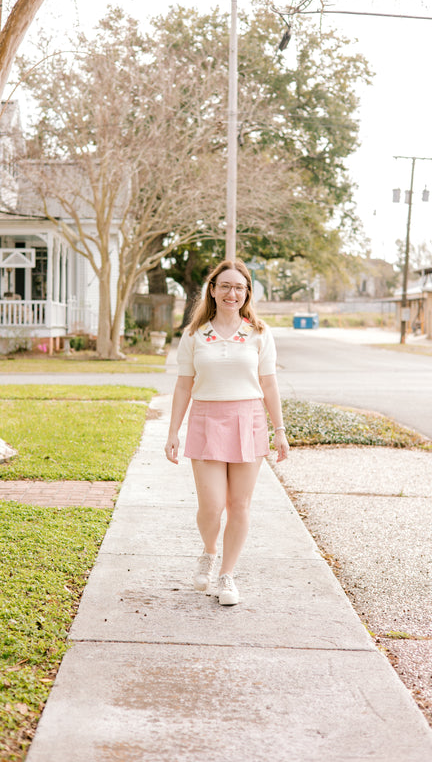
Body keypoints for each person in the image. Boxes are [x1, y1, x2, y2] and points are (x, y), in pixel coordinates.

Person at [164, 259, 289, 606]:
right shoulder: (193, 335)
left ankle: (226, 576)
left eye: (239, 287)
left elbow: (269, 383)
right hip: (206, 419)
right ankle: (208, 550)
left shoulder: (259, 333)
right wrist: (173, 431)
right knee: (212, 506)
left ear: (247, 293)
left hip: (248, 420)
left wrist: (279, 430)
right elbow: (182, 386)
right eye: (225, 286)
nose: (232, 293)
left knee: (239, 505)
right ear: (213, 290)